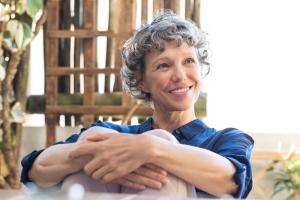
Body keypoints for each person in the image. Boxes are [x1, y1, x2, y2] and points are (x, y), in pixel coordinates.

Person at [21, 11, 254, 199]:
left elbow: (230, 181)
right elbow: (35, 171)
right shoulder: (115, 136)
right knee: (96, 135)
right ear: (142, 81)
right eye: (164, 65)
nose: (180, 76)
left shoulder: (227, 139)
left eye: (189, 61)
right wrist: (88, 154)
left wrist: (151, 149)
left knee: (161, 140)